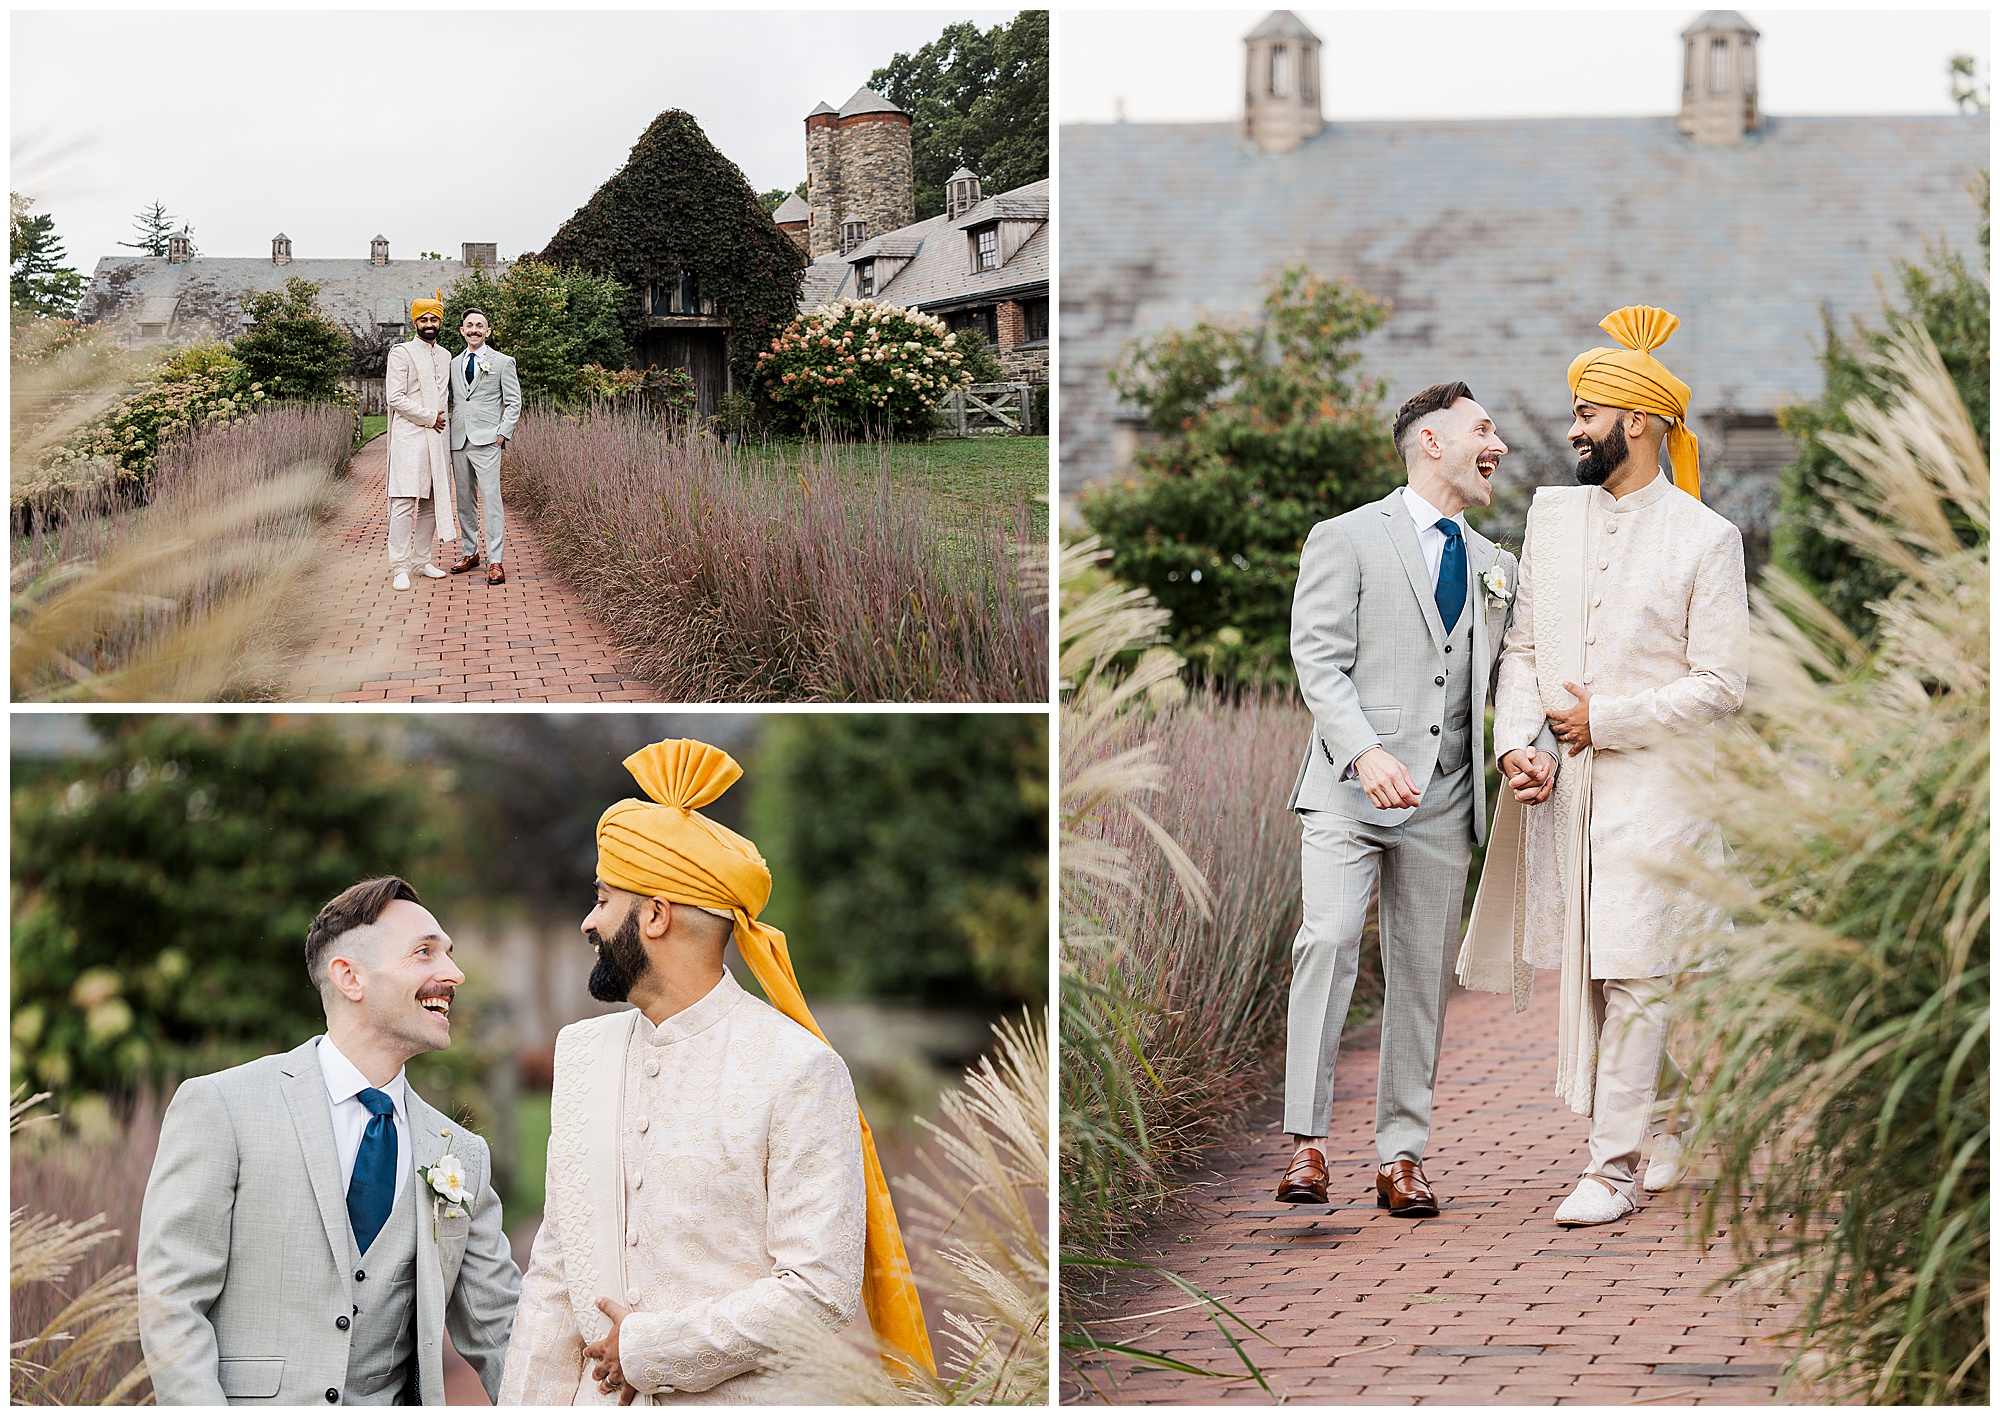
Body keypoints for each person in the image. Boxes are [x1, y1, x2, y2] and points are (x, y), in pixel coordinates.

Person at [498, 737, 935, 1404]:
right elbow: (554, 1276)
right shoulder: (583, 1056)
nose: (589, 921)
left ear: (655, 915)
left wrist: (649, 1349)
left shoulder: (799, 1069)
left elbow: (820, 1291)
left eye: (604, 898)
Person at [1459, 305, 1750, 1227]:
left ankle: (1610, 1169)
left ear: (1637, 421)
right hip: (1571, 789)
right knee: (1606, 969)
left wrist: (1605, 721)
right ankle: (1671, 1117)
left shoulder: (1707, 539)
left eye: (1585, 411)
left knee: (1635, 969)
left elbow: (1720, 686)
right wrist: (1520, 746)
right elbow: (1525, 653)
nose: (1572, 427)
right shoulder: (1552, 516)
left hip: (1660, 790)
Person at [1278, 382, 1522, 1217]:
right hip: (1348, 794)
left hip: (1447, 802)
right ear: (1431, 441)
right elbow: (1316, 658)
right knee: (1331, 936)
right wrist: (1365, 751)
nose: (1498, 446)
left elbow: (1513, 676)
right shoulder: (1344, 537)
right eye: (1484, 431)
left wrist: (1529, 745)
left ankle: (1401, 1157)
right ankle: (1308, 1146)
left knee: (1420, 980)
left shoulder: (1498, 566)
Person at [138, 878, 520, 1404]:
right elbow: (172, 1303)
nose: (453, 974)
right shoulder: (223, 1108)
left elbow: (504, 1332)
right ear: (350, 977)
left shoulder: (461, 1155)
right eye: (424, 952)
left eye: (449, 955)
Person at [382, 295, 456, 591]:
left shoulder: (446, 356)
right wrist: (428, 417)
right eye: (423, 319)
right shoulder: (401, 353)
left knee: (430, 502)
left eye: (433, 319)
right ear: (415, 322)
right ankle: (400, 566)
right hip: (410, 437)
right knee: (403, 502)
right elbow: (395, 397)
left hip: (437, 439)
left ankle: (421, 560)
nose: (429, 324)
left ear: (440, 322)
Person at [448, 308, 521, 586]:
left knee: (491, 500)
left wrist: (502, 434)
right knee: (464, 501)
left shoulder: (502, 362)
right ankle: (470, 552)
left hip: (488, 440)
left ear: (487, 332)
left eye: (480, 325)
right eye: (469, 325)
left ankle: (496, 560)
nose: (474, 329)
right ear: (462, 331)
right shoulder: (454, 363)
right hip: (459, 440)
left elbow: (514, 402)